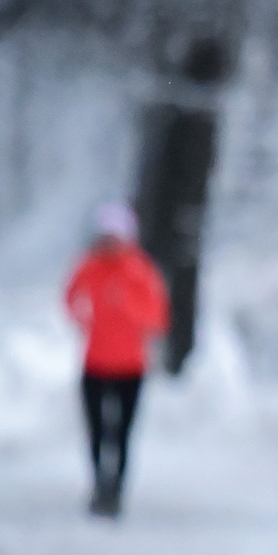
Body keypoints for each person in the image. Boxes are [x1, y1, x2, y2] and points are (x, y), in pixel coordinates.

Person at [62, 202, 171, 519]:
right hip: (95, 363)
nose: (109, 244)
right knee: (96, 430)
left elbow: (158, 316)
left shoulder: (140, 270)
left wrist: (127, 308)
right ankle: (98, 484)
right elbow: (69, 297)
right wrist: (83, 319)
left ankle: (117, 491)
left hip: (130, 367)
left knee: (122, 432)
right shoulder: (89, 266)